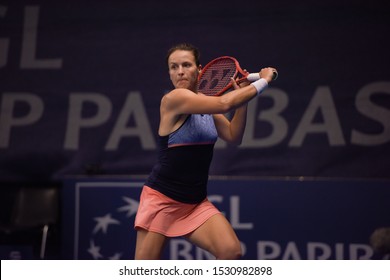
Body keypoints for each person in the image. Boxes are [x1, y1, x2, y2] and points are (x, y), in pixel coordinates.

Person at [134, 43, 277, 259]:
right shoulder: (173, 99)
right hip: (162, 200)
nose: (180, 71)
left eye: (186, 65)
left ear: (199, 69)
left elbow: (233, 136)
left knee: (231, 252)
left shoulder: (205, 103)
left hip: (195, 202)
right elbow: (223, 103)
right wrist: (264, 81)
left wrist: (243, 102)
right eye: (174, 67)